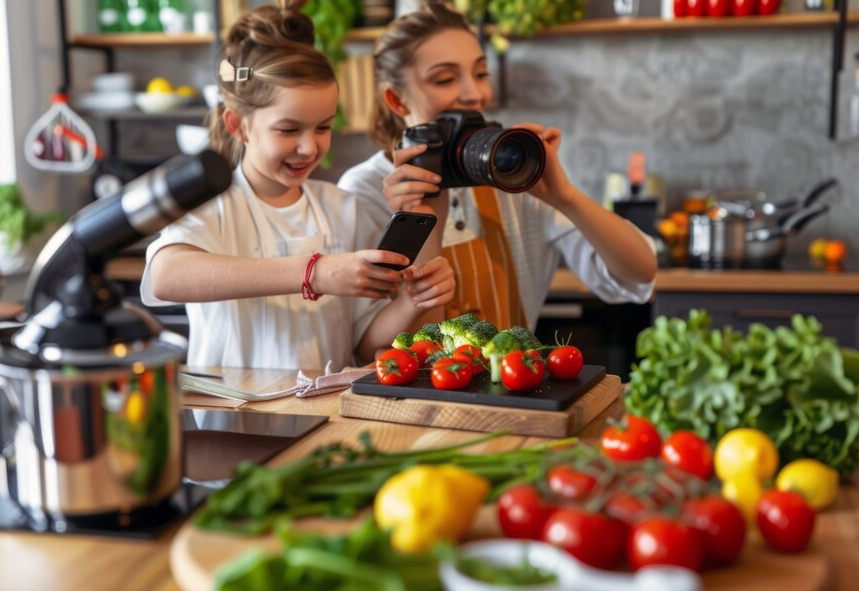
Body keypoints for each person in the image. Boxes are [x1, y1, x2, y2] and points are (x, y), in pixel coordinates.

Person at [141, 0, 454, 371]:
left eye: (323, 127)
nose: (310, 147)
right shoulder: (213, 204)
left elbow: (365, 340)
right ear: (237, 125)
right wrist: (315, 273)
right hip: (231, 424)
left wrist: (412, 303)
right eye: (289, 130)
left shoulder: (343, 208)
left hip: (327, 419)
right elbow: (165, 276)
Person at [338, 1, 657, 331]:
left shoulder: (509, 176)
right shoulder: (362, 191)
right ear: (397, 100)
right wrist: (423, 217)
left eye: (480, 74)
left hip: (515, 381)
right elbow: (402, 349)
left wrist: (566, 198)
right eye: (445, 79)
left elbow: (640, 271)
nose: (473, 93)